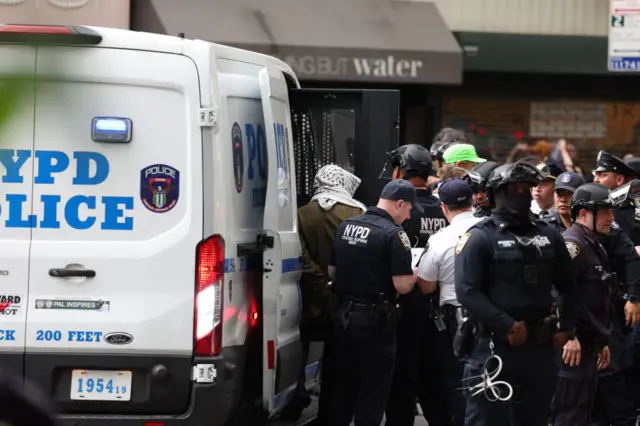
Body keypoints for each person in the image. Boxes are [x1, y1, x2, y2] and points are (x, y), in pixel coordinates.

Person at [454, 160, 579, 426]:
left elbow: (569, 284)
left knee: (535, 418)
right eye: (514, 188)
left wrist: (566, 328)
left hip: (539, 348)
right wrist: (507, 325)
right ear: (495, 193)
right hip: (493, 346)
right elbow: (466, 291)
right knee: (487, 419)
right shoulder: (479, 237)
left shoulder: (548, 235)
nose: (521, 193)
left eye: (527, 187)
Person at [328, 179, 421, 426]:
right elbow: (402, 285)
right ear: (399, 204)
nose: (410, 214)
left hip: (342, 316)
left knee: (343, 386)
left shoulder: (346, 225)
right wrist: (414, 275)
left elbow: (331, 272)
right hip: (374, 323)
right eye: (410, 208)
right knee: (373, 391)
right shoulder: (394, 234)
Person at [292, 164, 367, 425]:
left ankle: (297, 395)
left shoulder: (301, 214)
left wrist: (321, 283)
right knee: (338, 360)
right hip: (347, 299)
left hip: (310, 297)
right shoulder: (358, 212)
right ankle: (333, 412)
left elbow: (300, 255)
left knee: (303, 346)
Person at [382, 144, 448, 426]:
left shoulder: (400, 209)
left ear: (399, 171)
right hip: (440, 307)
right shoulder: (445, 208)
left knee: (402, 377)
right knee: (435, 378)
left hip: (405, 304)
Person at [416, 178, 482, 426]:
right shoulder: (491, 230)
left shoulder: (440, 240)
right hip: (492, 319)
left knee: (454, 380)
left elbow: (426, 286)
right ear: (473, 202)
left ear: (443, 207)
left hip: (454, 322)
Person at [551, 183, 615, 426]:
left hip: (589, 348)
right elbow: (555, 290)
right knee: (568, 416)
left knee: (581, 415)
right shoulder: (573, 245)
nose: (611, 217)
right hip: (572, 351)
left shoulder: (594, 244)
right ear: (585, 213)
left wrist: (601, 342)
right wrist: (569, 335)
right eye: (606, 211)